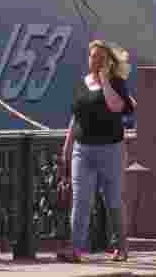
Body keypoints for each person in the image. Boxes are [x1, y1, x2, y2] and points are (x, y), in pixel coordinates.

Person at [58, 40, 135, 263]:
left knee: (113, 200)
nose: (96, 61)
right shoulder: (81, 83)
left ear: (109, 62)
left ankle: (121, 246)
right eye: (93, 56)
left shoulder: (116, 83)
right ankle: (75, 249)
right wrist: (67, 146)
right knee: (81, 200)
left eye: (101, 57)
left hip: (111, 149)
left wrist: (104, 82)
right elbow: (75, 117)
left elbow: (117, 107)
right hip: (83, 150)